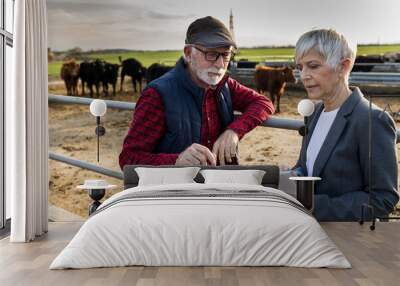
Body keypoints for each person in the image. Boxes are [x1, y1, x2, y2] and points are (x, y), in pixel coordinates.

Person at [119, 16, 274, 168]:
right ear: (188, 53)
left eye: (226, 54)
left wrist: (234, 131)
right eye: (211, 54)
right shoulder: (158, 95)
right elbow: (128, 158)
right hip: (177, 191)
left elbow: (263, 102)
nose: (220, 64)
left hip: (219, 186)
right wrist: (176, 161)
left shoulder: (225, 85)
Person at [293, 28, 399, 221]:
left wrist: (312, 205)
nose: (304, 76)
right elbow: (307, 169)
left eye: (313, 66)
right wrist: (292, 175)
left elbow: (382, 199)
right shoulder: (314, 113)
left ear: (343, 67)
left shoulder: (372, 120)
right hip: (311, 235)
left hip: (347, 241)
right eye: (301, 67)